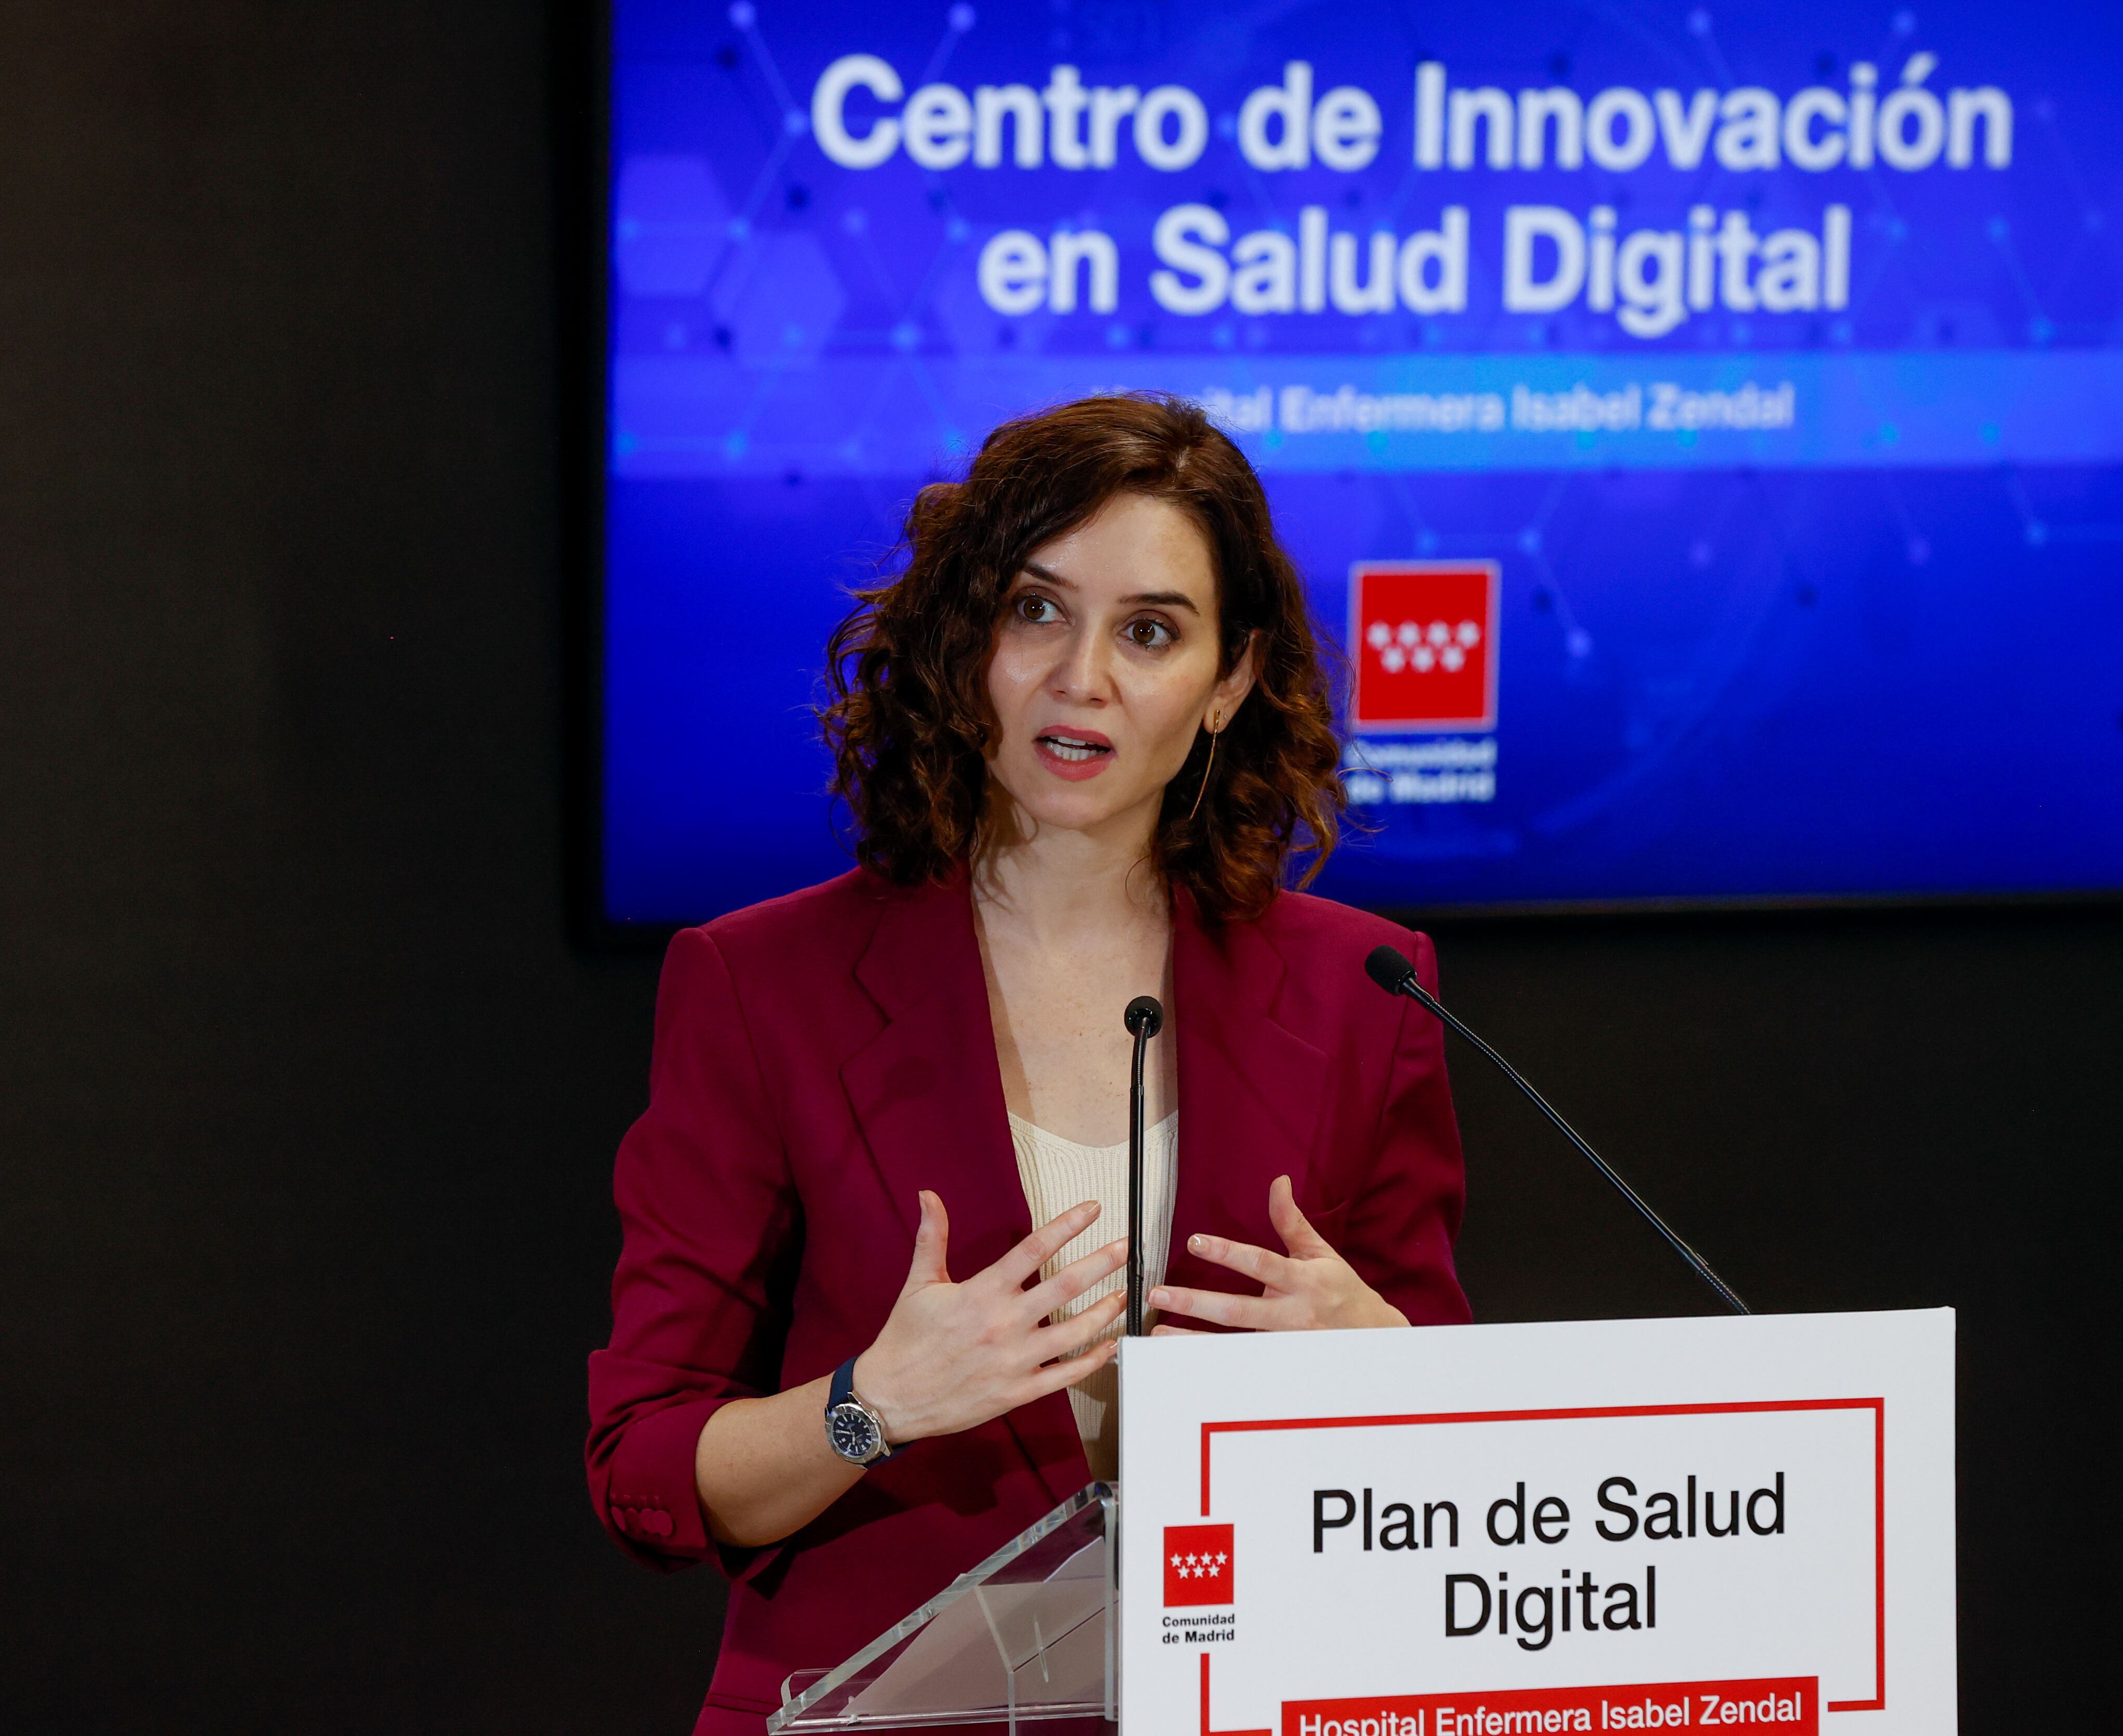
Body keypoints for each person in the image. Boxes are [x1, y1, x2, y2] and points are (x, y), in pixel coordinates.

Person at [585, 393, 1468, 1732]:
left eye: (1152, 631)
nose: (1082, 678)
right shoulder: (761, 985)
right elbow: (641, 1462)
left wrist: (1387, 1364)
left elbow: (1470, 1456)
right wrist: (868, 1403)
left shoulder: (1366, 988)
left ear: (1228, 682)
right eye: (1037, 610)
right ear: (964, 642)